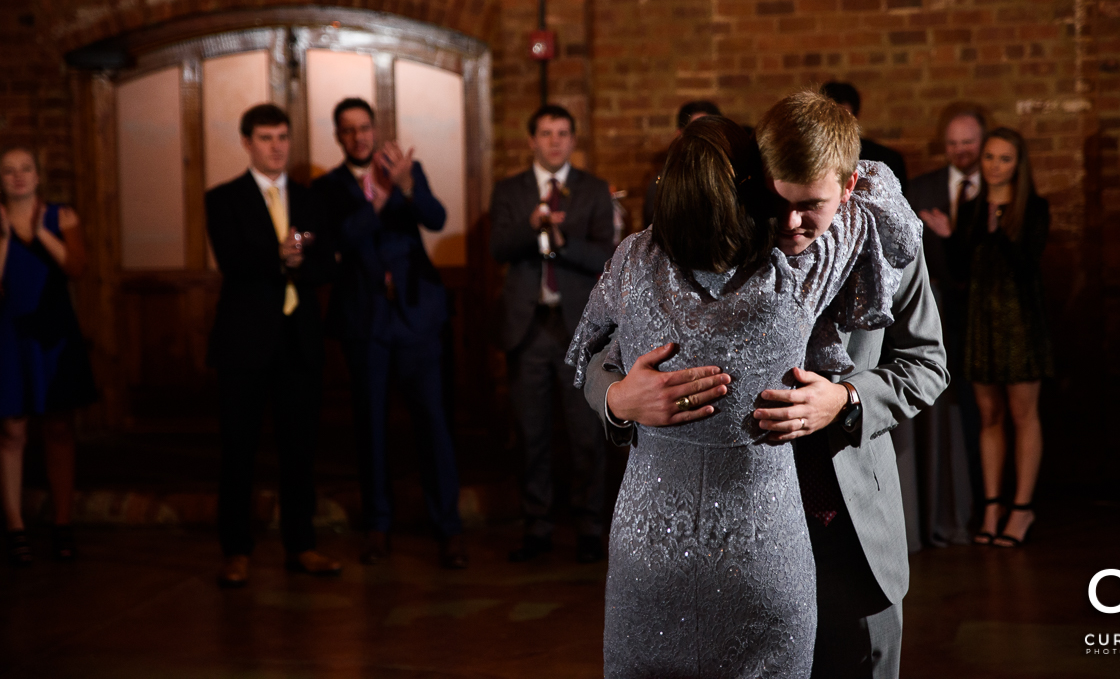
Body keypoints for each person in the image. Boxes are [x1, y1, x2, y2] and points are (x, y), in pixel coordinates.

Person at [567, 99, 923, 678]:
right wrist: (617, 398)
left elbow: (925, 362)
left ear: (847, 184)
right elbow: (598, 362)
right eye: (776, 203)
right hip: (749, 544)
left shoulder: (870, 238)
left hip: (843, 509)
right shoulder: (716, 254)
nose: (790, 225)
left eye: (812, 206)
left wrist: (847, 400)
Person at [312, 98, 466, 569]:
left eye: (365, 128)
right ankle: (377, 528)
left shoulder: (403, 169)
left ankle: (448, 530)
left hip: (417, 316)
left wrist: (405, 185)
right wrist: (376, 199)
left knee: (433, 423)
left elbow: (436, 218)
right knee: (371, 426)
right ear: (338, 137)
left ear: (375, 130)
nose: (359, 137)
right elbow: (336, 243)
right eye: (349, 131)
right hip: (365, 321)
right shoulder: (328, 187)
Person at [205, 103, 340, 587]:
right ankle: (236, 551)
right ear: (246, 142)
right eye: (266, 138)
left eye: (283, 136)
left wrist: (301, 264)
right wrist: (278, 257)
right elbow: (232, 260)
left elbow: (328, 264)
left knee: (299, 449)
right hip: (244, 341)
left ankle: (301, 545)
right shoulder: (223, 199)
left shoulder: (309, 200)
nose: (276, 146)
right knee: (238, 449)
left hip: (298, 340)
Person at [490, 104, 615, 564]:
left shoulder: (593, 190)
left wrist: (563, 243)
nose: (555, 141)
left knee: (586, 433)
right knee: (531, 434)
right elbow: (497, 247)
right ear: (532, 140)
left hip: (578, 328)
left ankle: (588, 528)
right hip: (529, 327)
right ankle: (537, 527)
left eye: (563, 133)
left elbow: (608, 254)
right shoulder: (511, 190)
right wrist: (532, 229)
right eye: (546, 133)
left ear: (573, 139)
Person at [930, 127, 1053, 547]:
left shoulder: (1034, 209)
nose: (995, 166)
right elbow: (963, 273)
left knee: (1023, 416)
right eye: (990, 158)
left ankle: (1022, 508)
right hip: (980, 323)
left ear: (1018, 164)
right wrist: (949, 237)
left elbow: (1024, 264)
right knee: (989, 418)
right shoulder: (970, 207)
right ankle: (992, 505)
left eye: (1004, 159)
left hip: (1020, 323)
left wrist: (997, 224)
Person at [0, 146, 98, 566]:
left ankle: (62, 523)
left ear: (38, 176)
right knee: (12, 430)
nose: (19, 177)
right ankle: (15, 526)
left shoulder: (63, 216)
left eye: (26, 169)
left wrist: (41, 232)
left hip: (54, 333)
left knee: (59, 426)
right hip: (10, 334)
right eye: (9, 171)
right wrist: (6, 240)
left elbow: (76, 268)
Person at [903, 101, 986, 547]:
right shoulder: (921, 188)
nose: (960, 151)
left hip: (981, 317)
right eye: (953, 143)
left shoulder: (995, 188)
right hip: (932, 316)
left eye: (968, 142)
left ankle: (979, 506)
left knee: (978, 416)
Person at [642, 100, 721, 227]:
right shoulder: (663, 185)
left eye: (711, 131)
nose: (705, 139)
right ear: (680, 135)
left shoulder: (730, 178)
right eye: (697, 131)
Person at [821, 81, 909, 193]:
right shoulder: (808, 158)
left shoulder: (887, 160)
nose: (837, 126)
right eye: (831, 118)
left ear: (855, 117)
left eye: (843, 119)